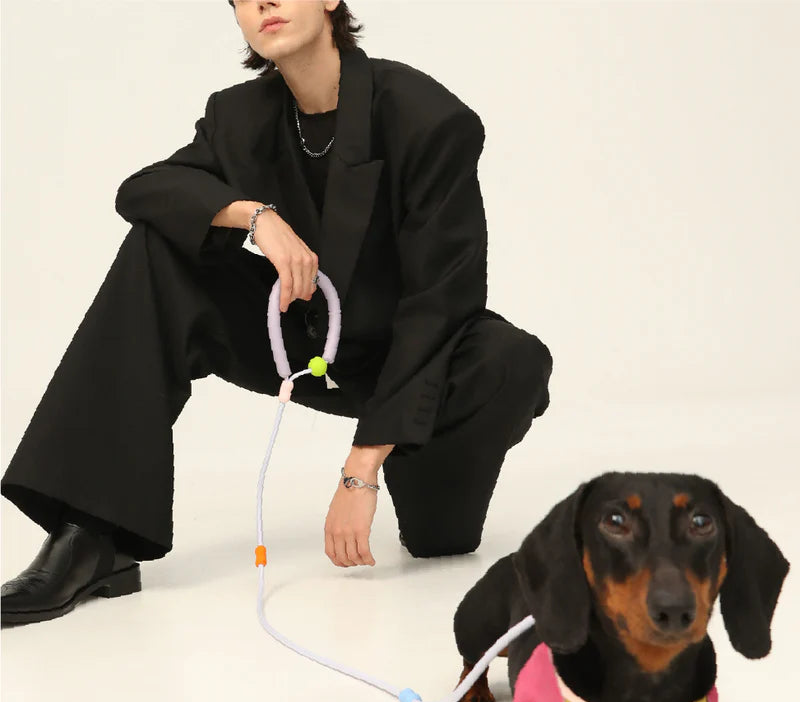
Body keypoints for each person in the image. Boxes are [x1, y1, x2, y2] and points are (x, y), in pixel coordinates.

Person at [1, 0, 552, 626]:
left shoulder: (425, 117)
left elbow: (442, 302)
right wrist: (253, 215)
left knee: (499, 389)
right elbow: (143, 190)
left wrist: (362, 465)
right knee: (159, 251)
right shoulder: (239, 115)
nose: (263, 1)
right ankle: (92, 533)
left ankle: (420, 466)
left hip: (413, 369)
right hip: (299, 337)